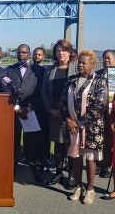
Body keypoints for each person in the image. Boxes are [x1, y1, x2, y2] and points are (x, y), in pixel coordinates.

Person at [64, 50, 108, 205]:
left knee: (90, 158)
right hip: (72, 127)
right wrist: (69, 120)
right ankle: (78, 186)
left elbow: (99, 106)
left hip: (91, 127)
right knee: (75, 158)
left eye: (84, 63)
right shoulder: (71, 80)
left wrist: (79, 123)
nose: (80, 65)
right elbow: (63, 102)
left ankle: (90, 189)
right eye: (79, 62)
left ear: (93, 65)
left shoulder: (99, 81)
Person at [5, 44, 46, 182]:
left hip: (30, 111)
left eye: (24, 52)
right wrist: (16, 107)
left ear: (29, 54)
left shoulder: (38, 71)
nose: (21, 55)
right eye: (19, 52)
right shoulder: (9, 70)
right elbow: (5, 90)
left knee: (32, 142)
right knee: (13, 141)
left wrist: (28, 108)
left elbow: (39, 93)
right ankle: (12, 167)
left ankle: (35, 169)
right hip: (13, 111)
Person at [42, 39, 77, 187]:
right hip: (55, 113)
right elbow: (44, 91)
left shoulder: (76, 69)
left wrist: (72, 113)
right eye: (57, 50)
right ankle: (58, 172)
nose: (60, 53)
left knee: (73, 145)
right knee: (58, 146)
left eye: (64, 50)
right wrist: (50, 109)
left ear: (70, 52)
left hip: (72, 114)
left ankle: (72, 175)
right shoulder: (50, 69)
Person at [97, 50, 115, 178]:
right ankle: (99, 164)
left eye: (108, 57)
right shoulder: (97, 74)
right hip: (98, 114)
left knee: (108, 142)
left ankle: (107, 166)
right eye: (104, 58)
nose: (105, 60)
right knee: (99, 140)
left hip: (111, 114)